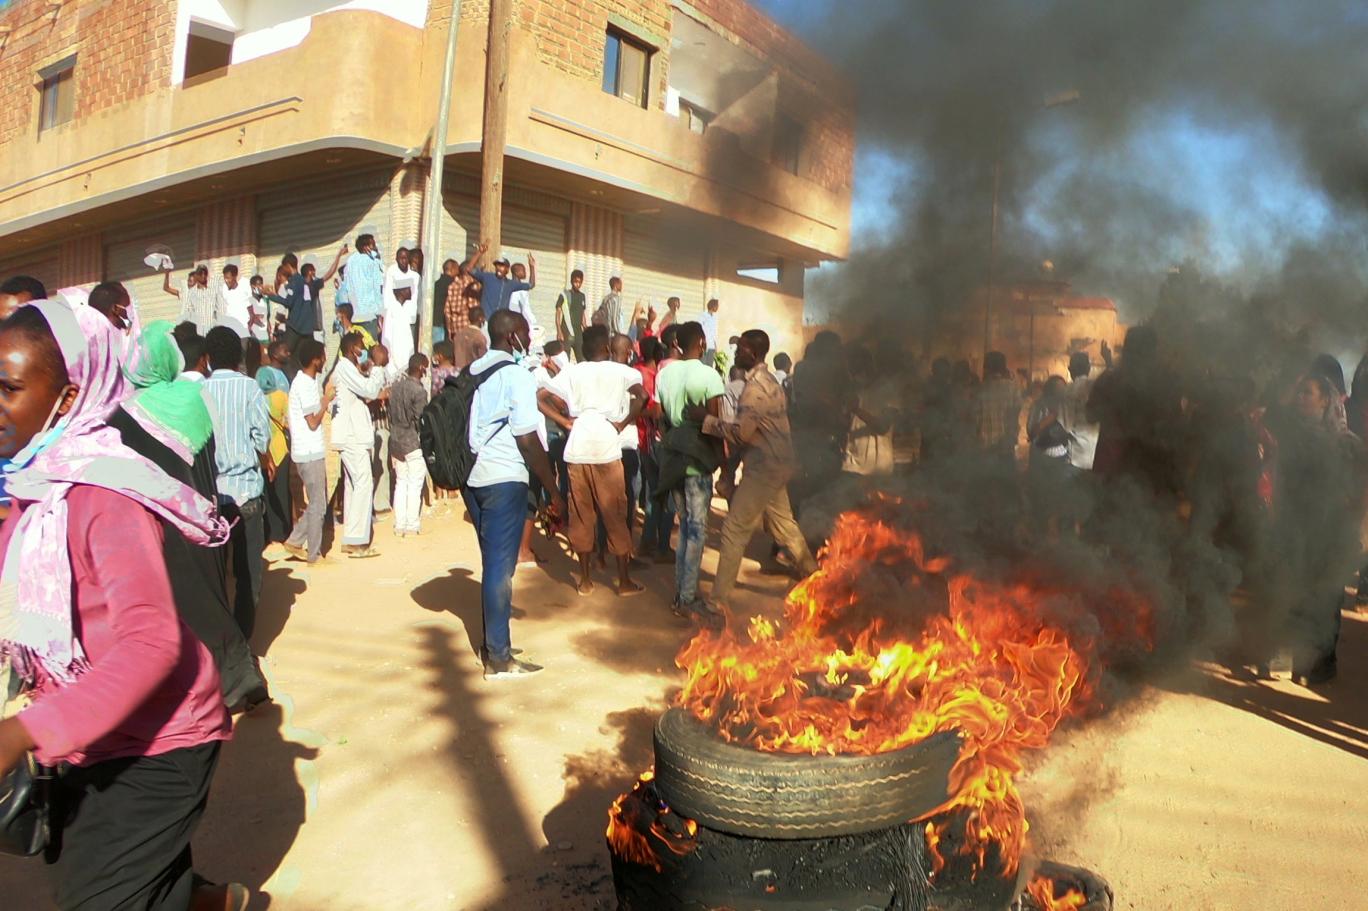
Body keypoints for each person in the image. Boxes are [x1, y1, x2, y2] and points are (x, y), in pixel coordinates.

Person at [0, 301, 248, 910]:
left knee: (94, 894)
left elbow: (153, 643)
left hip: (161, 739)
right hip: (92, 733)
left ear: (67, 398)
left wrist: (25, 730)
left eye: (8, 388)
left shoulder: (103, 496)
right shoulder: (31, 490)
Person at [113, 320, 268, 714]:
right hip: (202, 514)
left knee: (174, 606)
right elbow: (212, 455)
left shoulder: (121, 414)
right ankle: (236, 675)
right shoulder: (192, 398)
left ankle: (192, 685)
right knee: (218, 591)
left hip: (152, 524)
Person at [465, 310, 565, 678]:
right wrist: (553, 489)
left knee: (496, 564)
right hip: (504, 478)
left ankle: (494, 642)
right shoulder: (517, 376)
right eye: (526, 333)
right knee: (499, 568)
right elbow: (527, 439)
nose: (530, 340)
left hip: (473, 479)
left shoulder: (474, 371)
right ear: (513, 337)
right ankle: (499, 658)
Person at [695, 329, 818, 613]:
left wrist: (707, 420)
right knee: (785, 526)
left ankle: (717, 603)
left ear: (752, 353)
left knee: (734, 529)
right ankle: (815, 577)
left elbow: (742, 434)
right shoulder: (771, 382)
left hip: (764, 467)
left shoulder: (754, 389)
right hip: (776, 463)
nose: (736, 353)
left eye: (740, 349)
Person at [539, 324, 646, 597]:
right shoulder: (622, 371)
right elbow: (642, 396)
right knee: (615, 514)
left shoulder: (572, 372)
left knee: (581, 514)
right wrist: (623, 422)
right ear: (608, 348)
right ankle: (623, 581)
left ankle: (585, 580)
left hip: (577, 447)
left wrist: (565, 421)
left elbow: (540, 397)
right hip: (607, 447)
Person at [202, 327, 272, 641]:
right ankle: (244, 641)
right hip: (246, 494)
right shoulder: (250, 388)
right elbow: (262, 439)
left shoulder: (200, 390)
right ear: (238, 356)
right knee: (248, 576)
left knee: (217, 577)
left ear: (208, 358)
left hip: (212, 498)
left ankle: (221, 643)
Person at [655, 321, 725, 617]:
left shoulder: (664, 374)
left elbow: (659, 417)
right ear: (702, 342)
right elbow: (715, 423)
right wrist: (721, 461)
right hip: (697, 461)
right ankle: (686, 597)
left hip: (673, 458)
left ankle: (681, 592)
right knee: (696, 530)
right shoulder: (709, 375)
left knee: (684, 526)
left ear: (677, 344)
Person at [331, 331, 386, 557]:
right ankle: (357, 541)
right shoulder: (344, 368)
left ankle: (352, 537)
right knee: (363, 483)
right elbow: (370, 390)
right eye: (361, 346)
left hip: (352, 435)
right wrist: (379, 366)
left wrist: (369, 369)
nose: (364, 350)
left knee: (354, 486)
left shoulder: (349, 369)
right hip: (351, 435)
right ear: (353, 348)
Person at [283, 338, 334, 565]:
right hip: (309, 451)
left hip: (309, 450)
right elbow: (313, 422)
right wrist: (326, 400)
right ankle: (313, 555)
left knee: (316, 503)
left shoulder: (307, 382)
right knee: (318, 505)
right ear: (315, 360)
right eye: (322, 356)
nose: (324, 360)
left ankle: (295, 541)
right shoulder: (304, 384)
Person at [635, 336, 675, 561]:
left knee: (653, 494)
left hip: (644, 441)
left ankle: (648, 542)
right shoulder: (653, 377)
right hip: (657, 441)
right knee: (667, 497)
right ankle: (662, 547)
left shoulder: (635, 372)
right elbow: (656, 411)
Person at [254, 345, 293, 546]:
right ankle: (284, 532)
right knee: (282, 491)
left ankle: (270, 533)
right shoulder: (281, 396)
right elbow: (288, 422)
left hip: (264, 451)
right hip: (281, 448)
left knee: (267, 493)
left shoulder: (256, 399)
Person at [388, 353, 431, 537]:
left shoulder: (395, 387)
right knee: (415, 484)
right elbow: (421, 419)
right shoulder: (419, 391)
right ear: (421, 367)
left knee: (401, 482)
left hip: (396, 440)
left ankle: (400, 525)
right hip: (412, 441)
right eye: (425, 367)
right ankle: (412, 525)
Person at [465, 241, 535, 319]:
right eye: (497, 265)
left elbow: (531, 285)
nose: (498, 268)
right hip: (486, 320)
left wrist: (532, 266)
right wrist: (479, 252)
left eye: (502, 266)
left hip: (500, 322)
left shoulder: (511, 284)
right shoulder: (487, 277)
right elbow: (469, 269)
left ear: (507, 269)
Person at [974, 350, 1022, 461]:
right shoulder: (1013, 388)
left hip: (985, 447)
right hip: (1006, 445)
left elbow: (975, 419)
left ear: (986, 368)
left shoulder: (980, 389)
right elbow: (1015, 415)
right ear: (1003, 367)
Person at [1059, 351, 1100, 471]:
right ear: (1089, 368)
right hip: (1099, 456)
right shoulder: (1097, 387)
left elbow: (1065, 426)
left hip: (1077, 457)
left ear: (1070, 369)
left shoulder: (1066, 391)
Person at [382, 247, 419, 370]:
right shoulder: (391, 272)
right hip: (395, 317)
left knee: (409, 347)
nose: (404, 261)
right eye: (401, 258)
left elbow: (415, 297)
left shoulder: (415, 276)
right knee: (395, 347)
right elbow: (387, 296)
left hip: (410, 317)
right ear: (396, 259)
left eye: (406, 258)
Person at [342, 233, 385, 339]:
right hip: (370, 315)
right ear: (366, 247)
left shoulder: (350, 261)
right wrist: (381, 312)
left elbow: (348, 288)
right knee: (372, 345)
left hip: (356, 315)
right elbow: (377, 287)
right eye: (373, 245)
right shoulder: (372, 261)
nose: (375, 247)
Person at [216, 264, 265, 342]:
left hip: (242, 331)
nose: (226, 280)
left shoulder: (244, 289)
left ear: (234, 276)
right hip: (229, 331)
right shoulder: (223, 290)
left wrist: (248, 327)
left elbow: (251, 313)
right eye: (225, 278)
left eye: (228, 278)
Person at [164, 264, 217, 334]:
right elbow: (166, 288)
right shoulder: (185, 293)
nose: (188, 284)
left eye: (191, 281)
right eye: (188, 281)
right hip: (183, 325)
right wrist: (167, 273)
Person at [556, 270, 589, 361]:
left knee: (582, 360)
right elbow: (558, 313)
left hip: (578, 333)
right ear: (571, 281)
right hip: (566, 332)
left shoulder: (582, 296)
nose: (577, 284)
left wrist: (585, 327)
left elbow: (582, 313)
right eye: (575, 282)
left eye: (580, 282)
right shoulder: (564, 295)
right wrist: (559, 331)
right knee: (565, 359)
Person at [507, 260, 540, 344]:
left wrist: (532, 266)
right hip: (518, 322)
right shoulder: (517, 289)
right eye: (523, 270)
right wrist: (531, 321)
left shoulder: (517, 286)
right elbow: (523, 308)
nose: (525, 272)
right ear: (516, 272)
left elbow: (531, 284)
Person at [451, 305, 489, 370]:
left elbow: (454, 358)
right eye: (484, 318)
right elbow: (484, 361)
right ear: (480, 318)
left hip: (458, 372)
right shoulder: (479, 337)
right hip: (472, 373)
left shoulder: (458, 335)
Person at [433, 258, 459, 343]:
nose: (458, 272)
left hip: (434, 321)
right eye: (457, 269)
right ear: (452, 269)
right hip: (443, 323)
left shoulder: (436, 283)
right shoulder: (453, 285)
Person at [699, 298, 720, 365]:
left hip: (711, 346)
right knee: (702, 364)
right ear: (712, 306)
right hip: (704, 345)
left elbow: (714, 333)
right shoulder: (703, 316)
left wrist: (716, 346)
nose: (717, 307)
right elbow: (700, 329)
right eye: (717, 306)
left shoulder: (715, 318)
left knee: (709, 365)